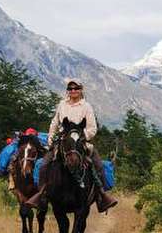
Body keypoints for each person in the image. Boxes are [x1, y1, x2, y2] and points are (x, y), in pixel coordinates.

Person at [26, 78, 118, 213]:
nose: (73, 91)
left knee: (97, 164)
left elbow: (92, 128)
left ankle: (101, 195)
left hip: (80, 140)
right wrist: (51, 137)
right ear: (67, 91)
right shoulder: (62, 105)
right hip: (63, 141)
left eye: (76, 88)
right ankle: (42, 194)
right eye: (70, 89)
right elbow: (54, 122)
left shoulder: (86, 106)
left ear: (81, 90)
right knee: (44, 164)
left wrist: (80, 138)